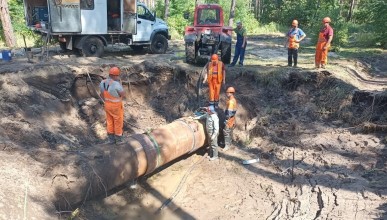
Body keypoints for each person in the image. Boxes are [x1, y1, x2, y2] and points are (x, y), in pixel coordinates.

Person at [99, 67, 126, 144]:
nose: (118, 77)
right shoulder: (116, 84)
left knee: (109, 121)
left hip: (107, 105)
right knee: (118, 121)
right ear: (115, 76)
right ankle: (118, 140)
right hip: (116, 106)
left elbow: (101, 94)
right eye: (117, 75)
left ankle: (111, 140)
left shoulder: (102, 82)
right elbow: (123, 94)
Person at [223, 86, 238, 151]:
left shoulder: (231, 102)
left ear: (231, 93)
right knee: (230, 131)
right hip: (232, 118)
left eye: (228, 92)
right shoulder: (233, 100)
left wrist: (226, 120)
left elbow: (229, 112)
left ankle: (227, 145)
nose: (227, 94)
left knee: (226, 132)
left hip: (229, 119)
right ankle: (229, 142)